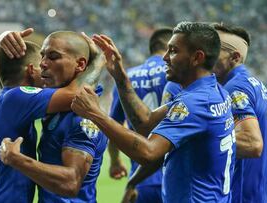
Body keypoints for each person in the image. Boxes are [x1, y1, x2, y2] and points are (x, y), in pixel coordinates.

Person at [71, 22, 236, 202]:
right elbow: (145, 124)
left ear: (197, 57)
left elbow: (148, 154)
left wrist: (95, 113)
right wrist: (120, 76)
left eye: (173, 51)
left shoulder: (195, 102)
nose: (165, 57)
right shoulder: (213, 91)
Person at [0, 28, 104, 203]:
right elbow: (79, 93)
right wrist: (98, 60)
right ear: (30, 70)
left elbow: (72, 182)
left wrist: (3, 42)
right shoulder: (17, 98)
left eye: (52, 57)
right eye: (41, 59)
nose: (43, 64)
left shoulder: (4, 102)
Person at [108, 28, 172, 203]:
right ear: (169, 46)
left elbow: (113, 127)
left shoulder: (126, 76)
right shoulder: (177, 74)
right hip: (176, 175)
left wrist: (115, 161)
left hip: (141, 176)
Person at [211, 23, 267, 203]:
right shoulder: (254, 84)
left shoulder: (234, 88)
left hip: (241, 193)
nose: (206, 55)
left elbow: (252, 143)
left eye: (214, 49)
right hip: (257, 191)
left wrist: (198, 140)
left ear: (234, 57)